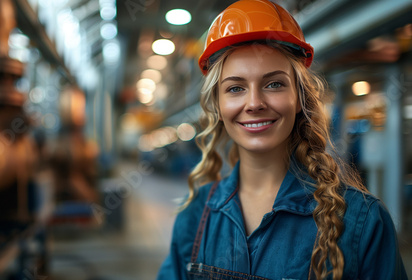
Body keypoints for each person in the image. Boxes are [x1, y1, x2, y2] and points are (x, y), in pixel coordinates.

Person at [157, 0, 408, 279]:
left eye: (274, 84)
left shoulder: (362, 221)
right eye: (236, 88)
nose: (254, 103)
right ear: (217, 104)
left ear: (299, 98)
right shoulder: (194, 217)